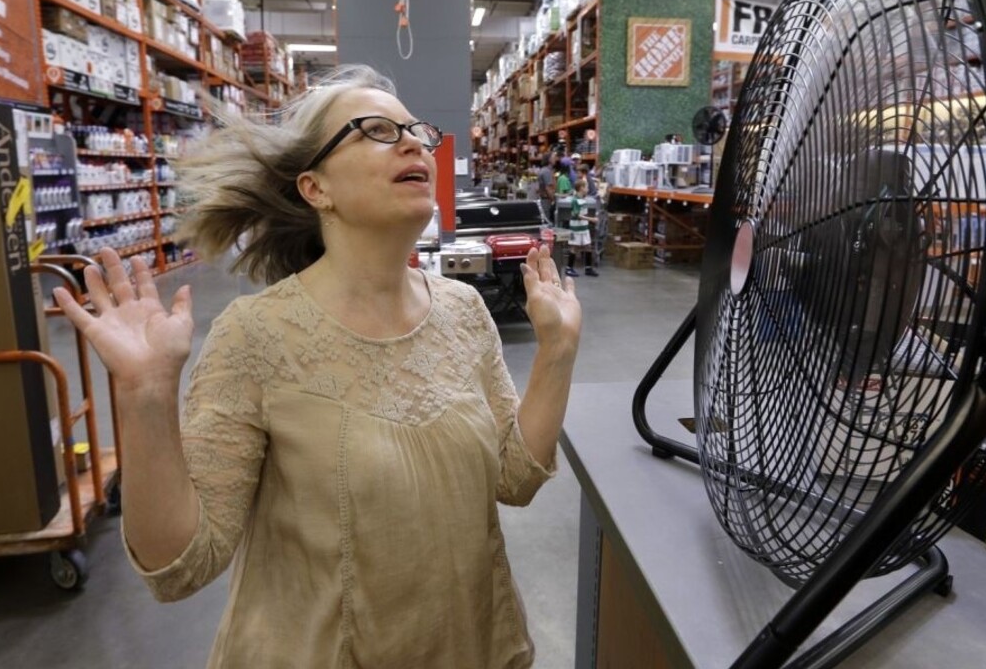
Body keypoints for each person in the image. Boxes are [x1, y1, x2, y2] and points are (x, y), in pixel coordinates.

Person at [53, 65, 583, 669]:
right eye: (376, 130)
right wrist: (146, 395)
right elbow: (181, 566)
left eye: (418, 132)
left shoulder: (463, 310)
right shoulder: (257, 336)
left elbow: (513, 478)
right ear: (315, 188)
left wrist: (557, 351)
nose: (413, 143)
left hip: (470, 645)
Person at [566, 179, 598, 277]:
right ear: (581, 188)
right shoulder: (575, 200)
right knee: (574, 247)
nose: (588, 189)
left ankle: (588, 268)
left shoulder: (583, 199)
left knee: (588, 245)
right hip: (576, 227)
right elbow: (577, 215)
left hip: (584, 227)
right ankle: (569, 268)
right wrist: (591, 219)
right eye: (586, 187)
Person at [536, 151, 558, 223]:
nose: (555, 159)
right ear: (549, 159)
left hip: (545, 200)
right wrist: (553, 200)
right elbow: (549, 188)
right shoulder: (547, 172)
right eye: (553, 157)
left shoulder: (545, 170)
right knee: (547, 221)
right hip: (546, 201)